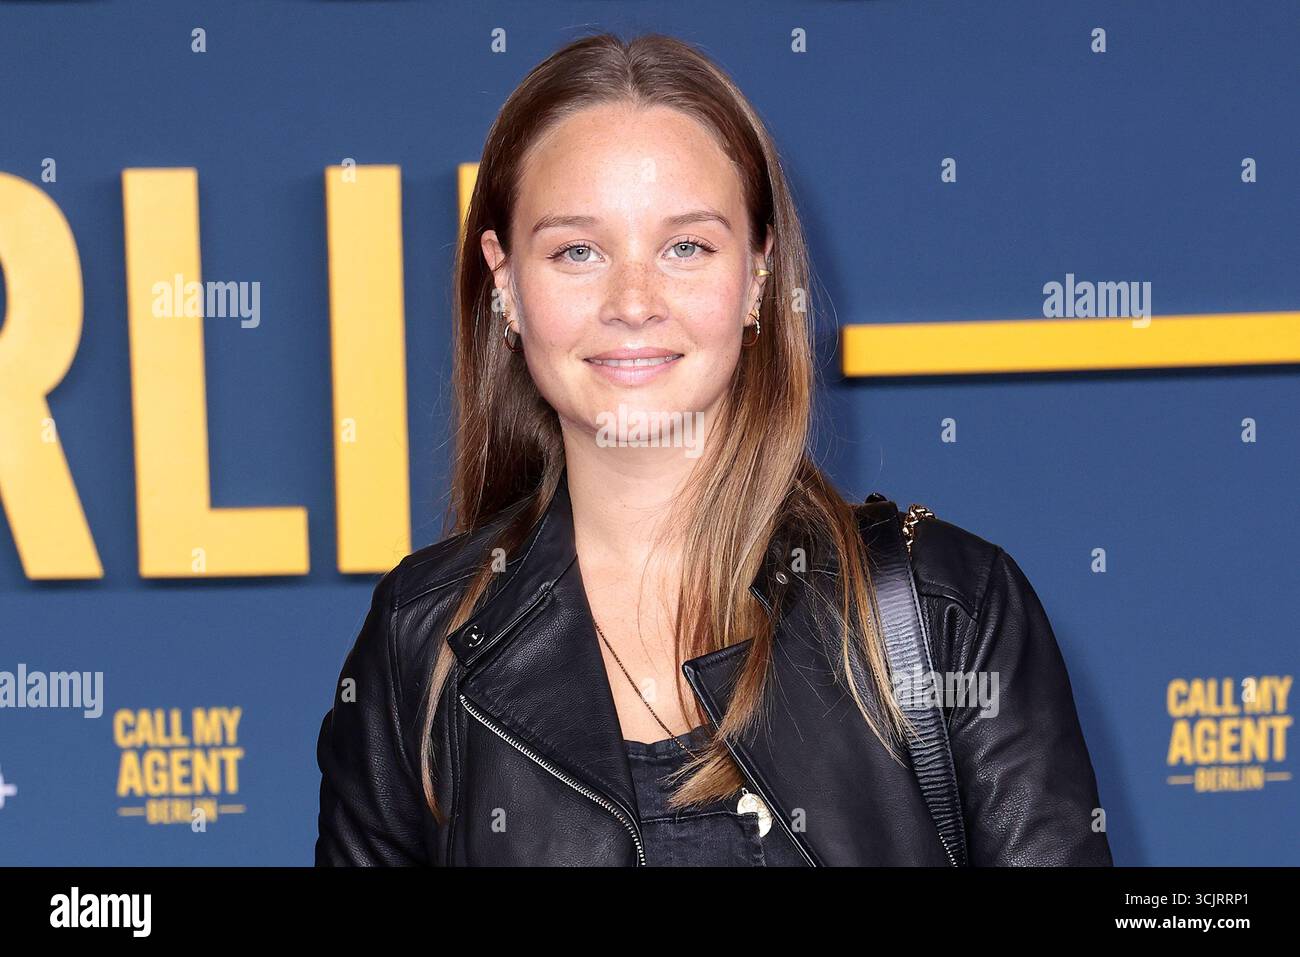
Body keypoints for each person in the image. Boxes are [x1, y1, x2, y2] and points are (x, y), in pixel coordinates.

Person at [314, 32, 1113, 867]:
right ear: (506, 282)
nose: (633, 301)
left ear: (759, 276)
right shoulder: (422, 639)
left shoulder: (948, 612)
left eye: (686, 246)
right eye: (577, 251)